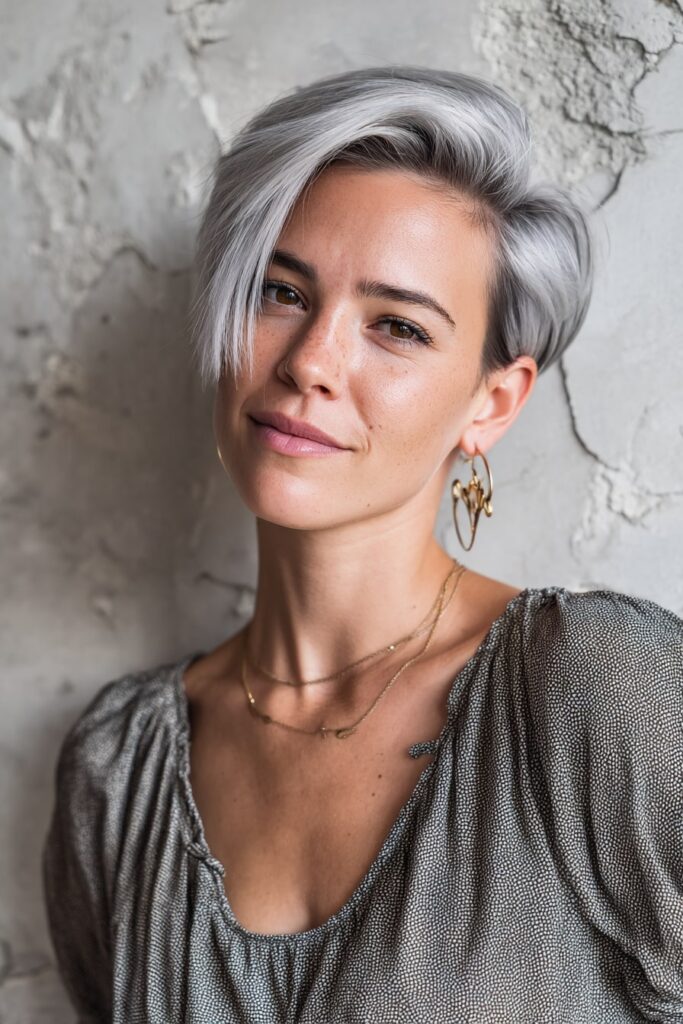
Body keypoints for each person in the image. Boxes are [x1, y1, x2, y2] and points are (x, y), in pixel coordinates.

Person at [41, 65, 683, 1023]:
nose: (309, 363)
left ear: (491, 403)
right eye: (280, 291)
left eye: (396, 326)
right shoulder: (117, 770)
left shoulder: (597, 693)